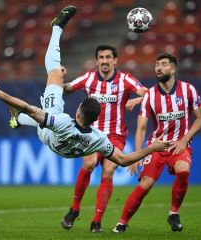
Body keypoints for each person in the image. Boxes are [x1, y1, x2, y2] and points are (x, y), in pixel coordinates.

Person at [0, 6, 170, 173]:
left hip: (51, 134)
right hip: (65, 151)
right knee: (37, 111)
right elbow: (123, 160)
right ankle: (18, 119)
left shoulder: (62, 122)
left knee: (54, 74)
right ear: (95, 121)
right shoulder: (99, 139)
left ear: (78, 111)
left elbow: (28, 107)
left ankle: (56, 27)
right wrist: (152, 148)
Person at [112, 53, 201, 233]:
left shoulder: (188, 90)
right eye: (157, 64)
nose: (159, 67)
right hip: (157, 145)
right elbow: (140, 128)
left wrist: (185, 140)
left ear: (173, 69)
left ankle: (174, 213)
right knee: (145, 185)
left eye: (163, 64)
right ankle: (122, 223)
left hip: (179, 143)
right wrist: (138, 154)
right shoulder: (150, 96)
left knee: (183, 171)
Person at [60, 45, 147, 232]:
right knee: (89, 164)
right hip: (91, 133)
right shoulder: (89, 78)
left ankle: (96, 221)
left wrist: (137, 100)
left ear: (115, 60)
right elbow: (66, 89)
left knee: (108, 172)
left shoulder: (125, 80)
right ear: (97, 60)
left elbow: (149, 94)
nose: (105, 60)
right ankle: (74, 209)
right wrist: (59, 77)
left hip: (115, 136)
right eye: (101, 57)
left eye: (109, 57)